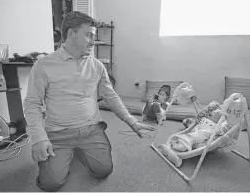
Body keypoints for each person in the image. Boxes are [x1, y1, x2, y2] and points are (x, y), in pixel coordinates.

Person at [23, 11, 155, 192]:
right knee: (51, 184)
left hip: (91, 130)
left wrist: (132, 122)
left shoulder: (97, 66)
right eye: (89, 35)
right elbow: (32, 104)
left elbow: (111, 96)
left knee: (103, 170)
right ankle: (65, 153)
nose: (93, 41)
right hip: (58, 133)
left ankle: (79, 151)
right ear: (71, 33)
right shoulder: (44, 65)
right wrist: (38, 138)